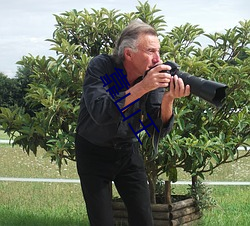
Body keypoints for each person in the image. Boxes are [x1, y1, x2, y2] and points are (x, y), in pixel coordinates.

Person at [75, 20, 190, 226]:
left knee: (144, 219)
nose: (158, 59)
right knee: (101, 221)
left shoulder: (151, 77)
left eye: (159, 51)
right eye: (151, 51)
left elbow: (156, 129)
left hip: (128, 151)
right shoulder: (102, 66)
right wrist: (142, 87)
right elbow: (100, 112)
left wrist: (168, 99)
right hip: (93, 152)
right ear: (128, 54)